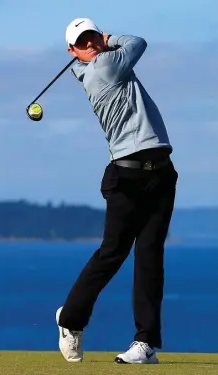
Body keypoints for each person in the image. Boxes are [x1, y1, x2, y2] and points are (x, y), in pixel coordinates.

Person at [56, 17, 178, 365]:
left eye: (94, 36)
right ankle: (70, 320)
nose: (92, 43)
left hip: (160, 173)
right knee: (113, 253)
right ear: (73, 51)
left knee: (150, 256)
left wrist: (99, 44)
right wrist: (110, 37)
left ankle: (146, 343)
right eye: (84, 42)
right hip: (127, 177)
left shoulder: (96, 67)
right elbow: (138, 42)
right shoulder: (104, 66)